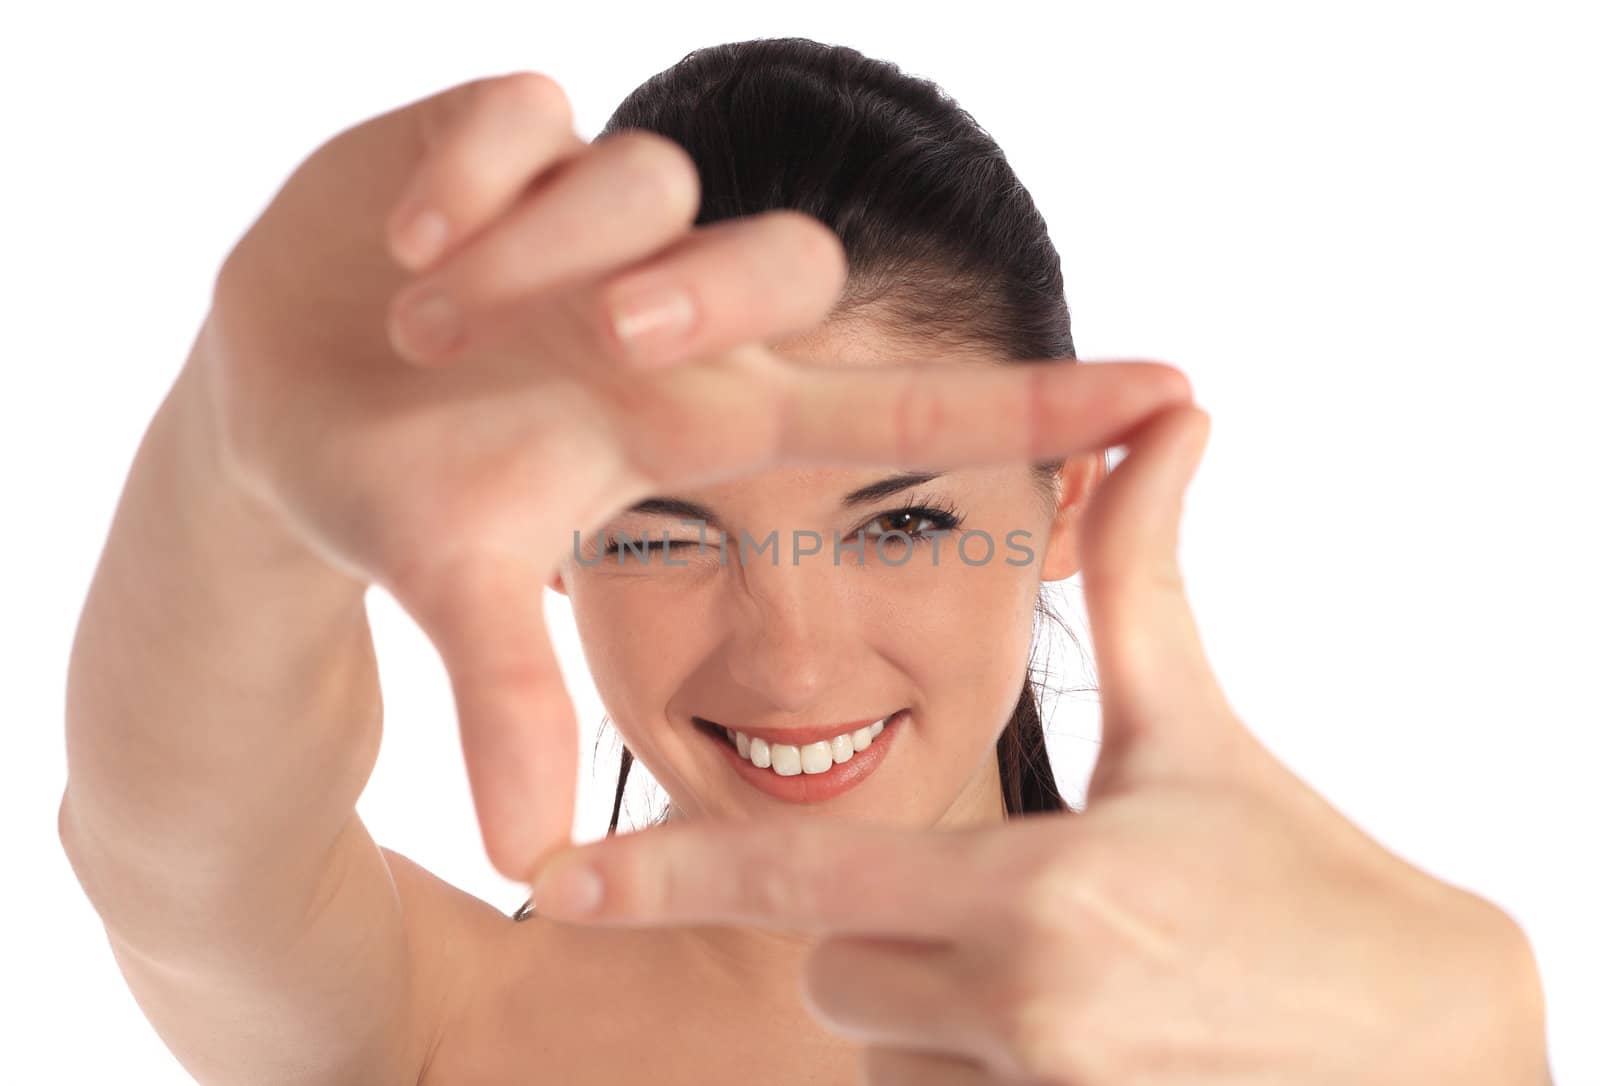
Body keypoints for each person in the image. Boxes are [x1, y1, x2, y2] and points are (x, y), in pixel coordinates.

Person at [58, 37, 1550, 1085]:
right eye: (662, 524)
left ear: (1065, 502)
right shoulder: (444, 1025)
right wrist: (231, 454)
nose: (792, 658)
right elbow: (174, 849)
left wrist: (1488, 1067)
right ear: (554, 538)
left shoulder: (1299, 1037)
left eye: (902, 521)